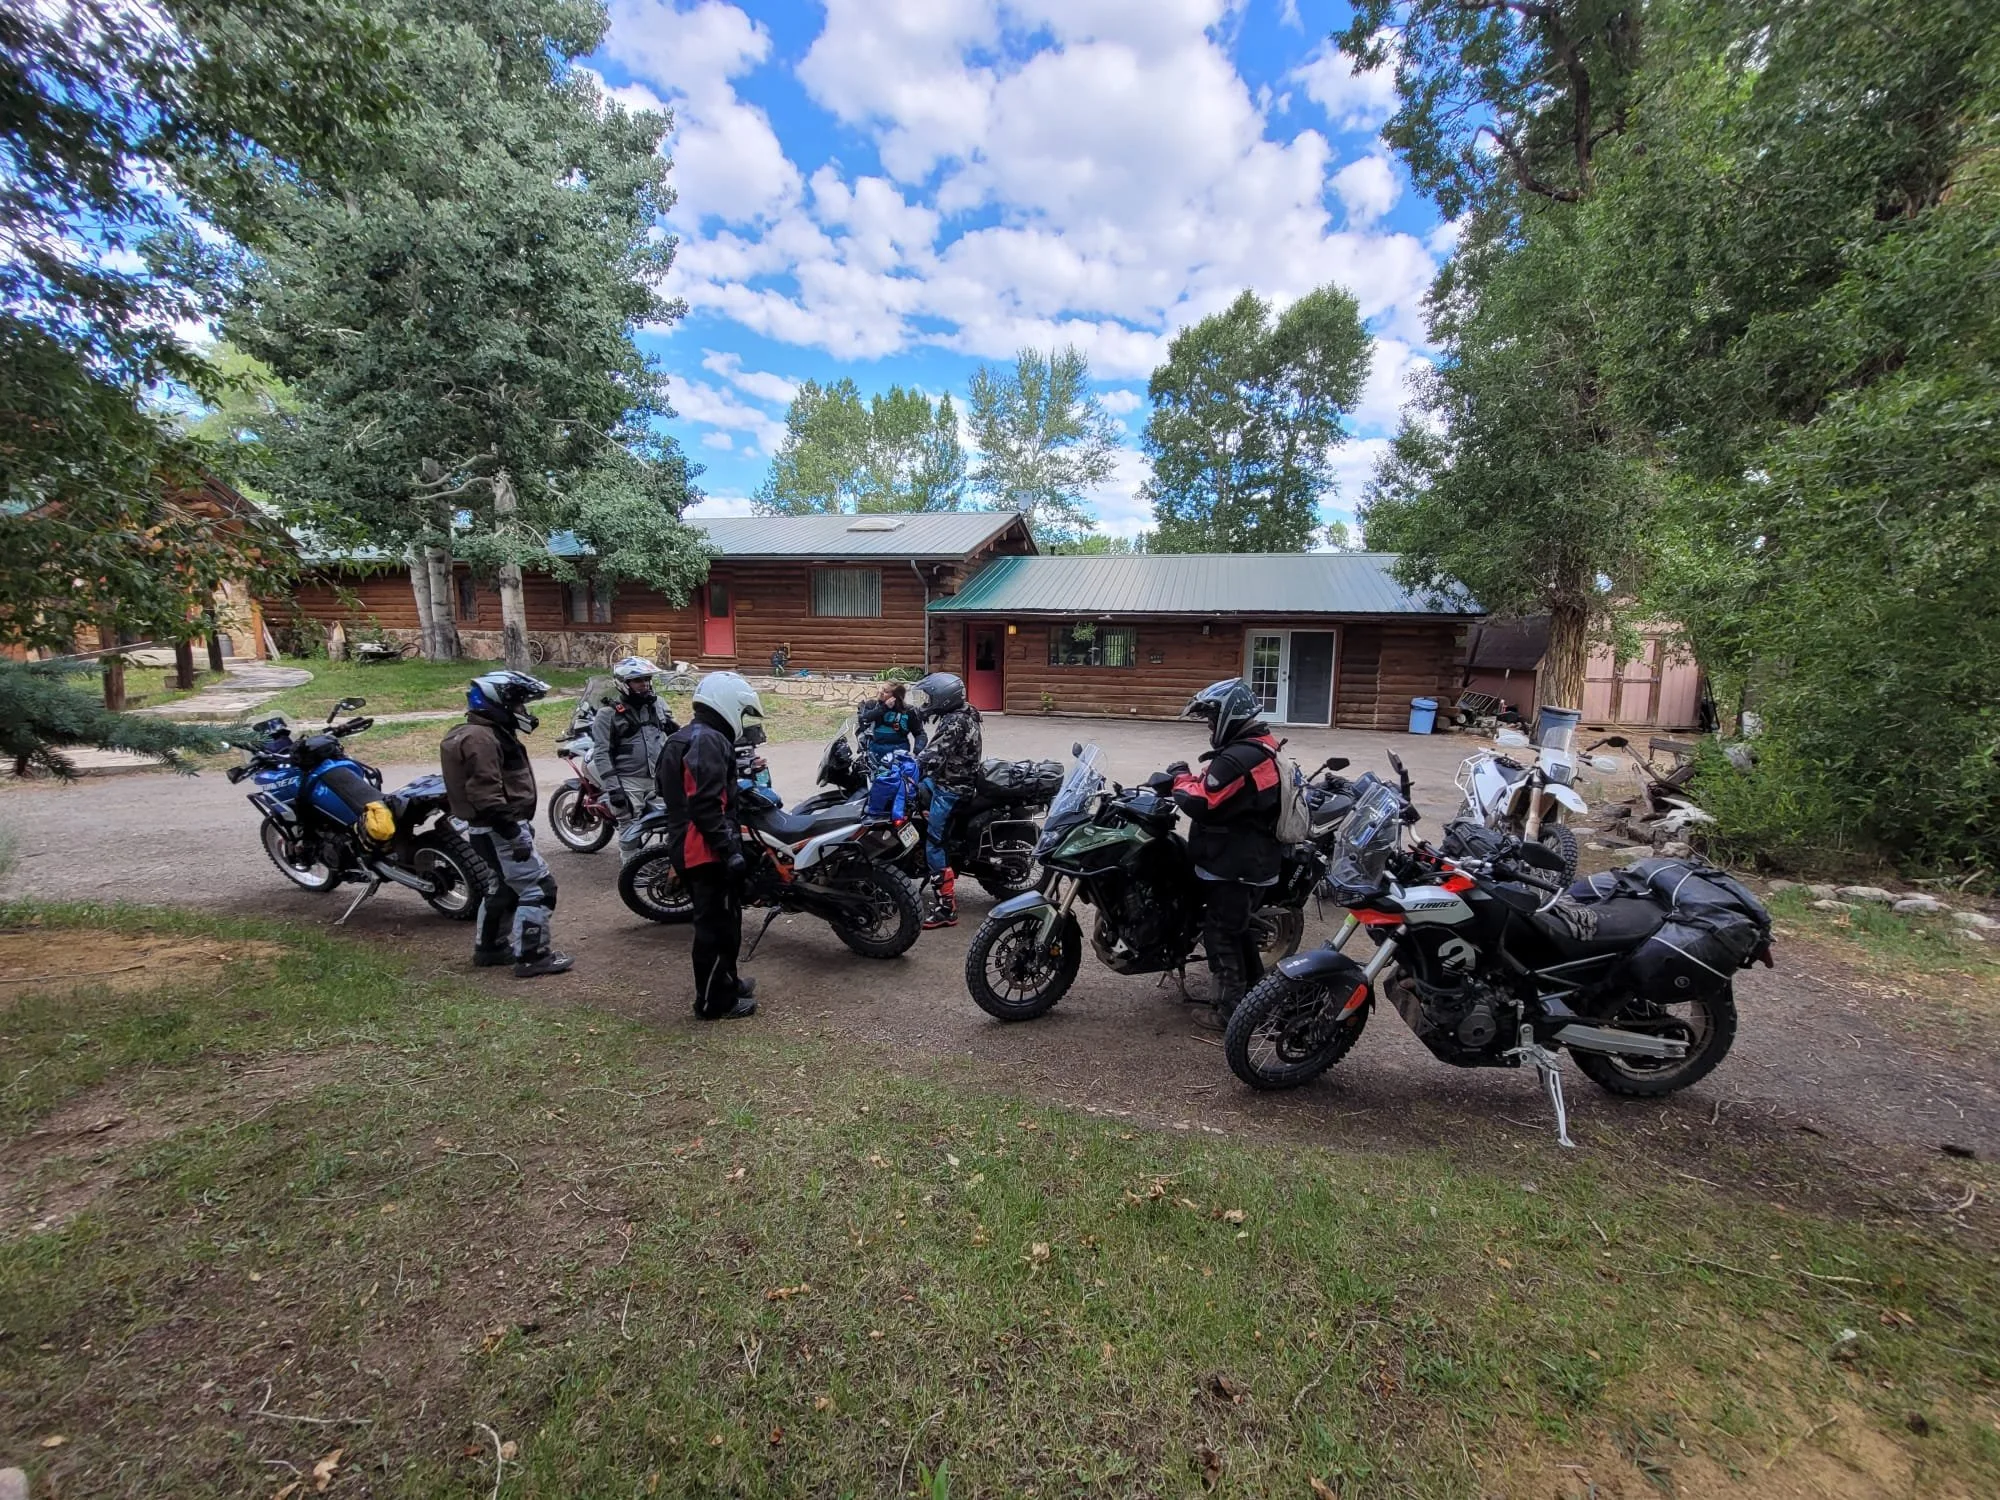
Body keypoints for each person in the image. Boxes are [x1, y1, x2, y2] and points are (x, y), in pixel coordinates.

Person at [440, 670, 573, 978]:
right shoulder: (482, 738)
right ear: (497, 702)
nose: (523, 711)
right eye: (518, 705)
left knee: (502, 888)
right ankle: (532, 956)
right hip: (499, 829)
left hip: (488, 829)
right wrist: (513, 834)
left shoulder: (483, 732)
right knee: (538, 888)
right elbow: (485, 792)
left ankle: (489, 948)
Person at [1168, 677, 1282, 1027]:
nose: (1209, 726)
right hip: (1248, 860)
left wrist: (1178, 777)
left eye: (1212, 719)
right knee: (1237, 930)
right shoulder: (1258, 746)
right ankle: (1257, 998)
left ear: (1231, 714)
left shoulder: (1241, 757)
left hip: (1236, 865)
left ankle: (1231, 1013)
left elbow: (1201, 802)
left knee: (1222, 935)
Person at [658, 671, 762, 1020]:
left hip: (696, 844)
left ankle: (726, 983)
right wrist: (730, 850)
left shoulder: (689, 736)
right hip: (701, 850)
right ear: (728, 704)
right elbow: (705, 804)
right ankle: (713, 1003)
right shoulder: (708, 741)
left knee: (728, 921)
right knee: (715, 927)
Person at [911, 671, 981, 928]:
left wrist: (907, 766)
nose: (927, 702)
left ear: (943, 698)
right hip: (953, 779)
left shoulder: (954, 723)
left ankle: (946, 907)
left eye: (930, 698)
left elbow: (932, 756)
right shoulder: (967, 712)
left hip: (952, 788)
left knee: (934, 843)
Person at [587, 656, 677, 849]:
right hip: (629, 780)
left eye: (647, 679)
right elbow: (602, 753)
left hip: (659, 778)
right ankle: (632, 875)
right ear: (623, 683)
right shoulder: (608, 714)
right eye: (638, 680)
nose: (644, 684)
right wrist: (614, 789)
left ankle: (667, 866)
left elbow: (672, 736)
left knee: (675, 823)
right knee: (630, 831)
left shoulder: (658, 704)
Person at [857, 680, 925, 763]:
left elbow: (919, 733)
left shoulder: (908, 711)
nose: (881, 692)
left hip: (899, 754)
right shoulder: (872, 705)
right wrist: (884, 707)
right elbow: (864, 719)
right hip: (875, 753)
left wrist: (917, 752)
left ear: (895, 697)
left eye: (886, 691)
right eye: (882, 688)